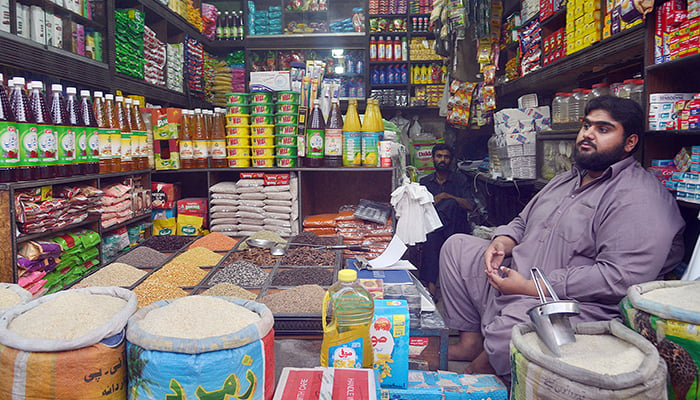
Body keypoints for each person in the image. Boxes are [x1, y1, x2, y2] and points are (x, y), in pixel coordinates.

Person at [439, 96, 685, 383]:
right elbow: (523, 221)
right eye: (586, 126)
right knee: (457, 247)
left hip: (571, 303)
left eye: (603, 129)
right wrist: (504, 240)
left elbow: (619, 277)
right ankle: (472, 343)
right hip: (517, 277)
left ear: (629, 143)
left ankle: (485, 365)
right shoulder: (567, 179)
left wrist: (532, 287)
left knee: (515, 332)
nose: (588, 135)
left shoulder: (637, 197)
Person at [419, 143, 475, 296]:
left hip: (456, 228)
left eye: (446, 157)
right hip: (435, 231)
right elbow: (419, 209)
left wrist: (447, 196)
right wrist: (431, 201)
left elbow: (470, 205)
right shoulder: (424, 182)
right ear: (433, 159)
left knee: (449, 205)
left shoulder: (460, 180)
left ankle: (430, 288)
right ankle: (433, 286)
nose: (442, 160)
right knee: (433, 236)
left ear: (451, 160)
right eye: (439, 156)